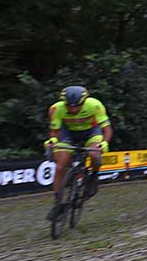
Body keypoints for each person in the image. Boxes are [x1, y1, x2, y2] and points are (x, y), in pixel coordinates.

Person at [44, 86, 112, 220]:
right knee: (60, 167)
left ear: (84, 102)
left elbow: (107, 129)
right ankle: (58, 203)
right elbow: (54, 131)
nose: (73, 110)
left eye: (77, 106)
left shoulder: (95, 105)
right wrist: (53, 140)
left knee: (94, 154)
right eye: (69, 107)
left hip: (91, 132)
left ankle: (93, 176)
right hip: (68, 133)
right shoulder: (56, 109)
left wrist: (104, 143)